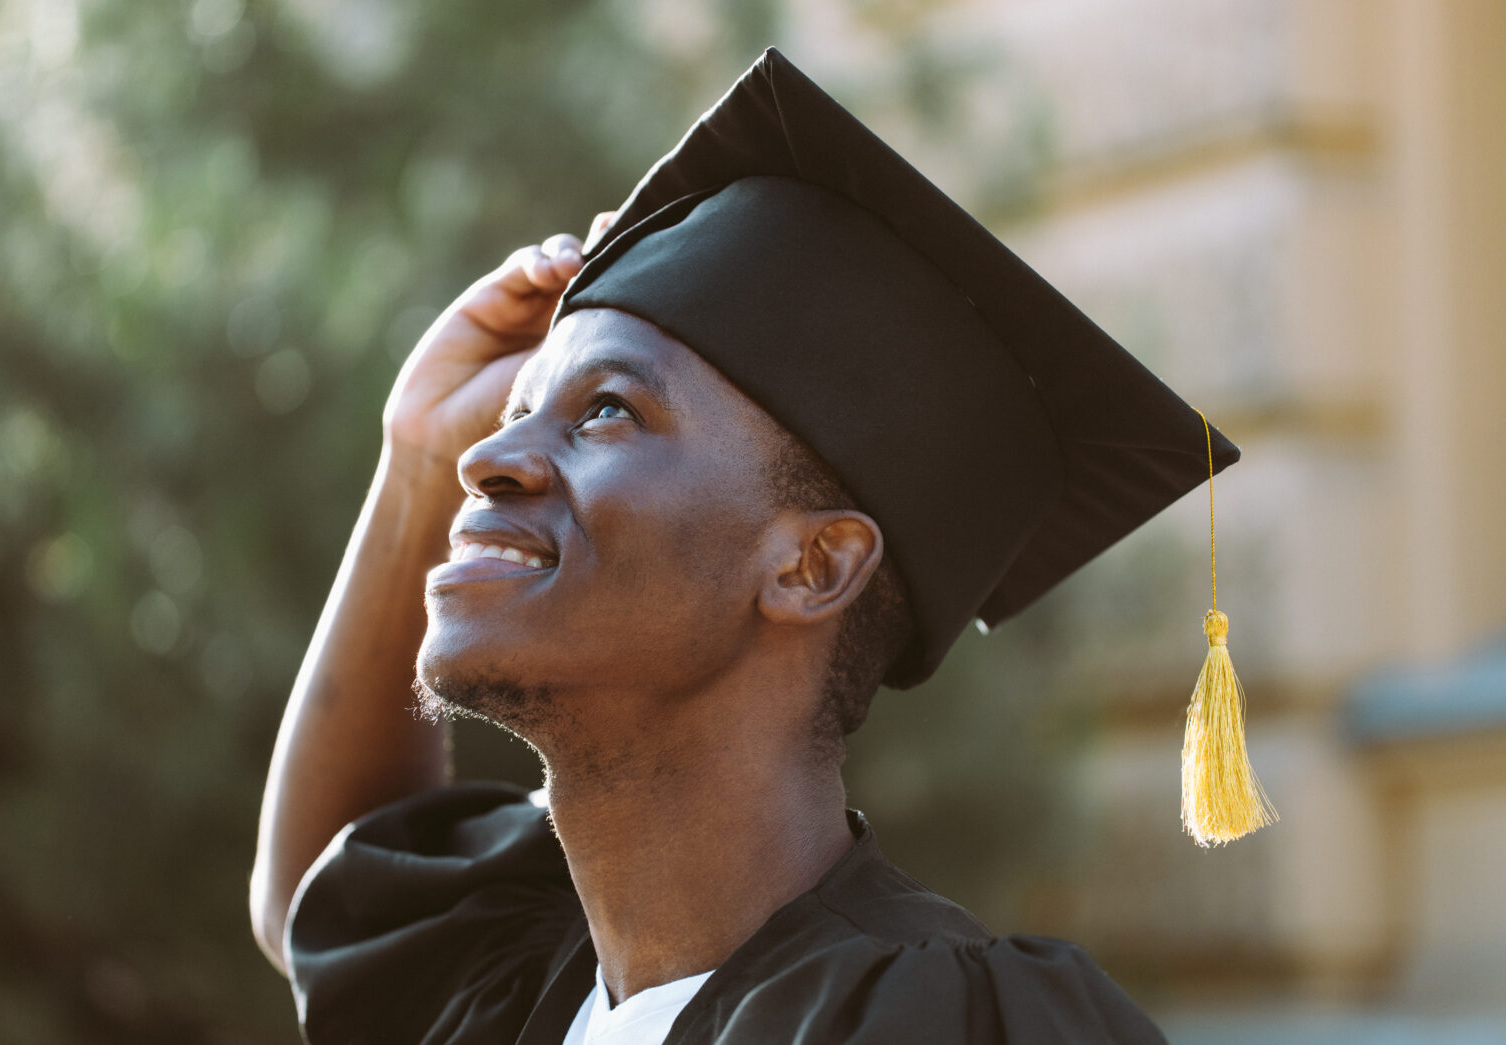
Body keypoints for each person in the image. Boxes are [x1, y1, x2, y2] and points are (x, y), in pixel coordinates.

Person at [250, 49, 1235, 1044]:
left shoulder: (945, 1023)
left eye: (602, 411)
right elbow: (327, 898)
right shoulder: (523, 992)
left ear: (812, 566)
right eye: (508, 412)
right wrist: (416, 461)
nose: (490, 457)